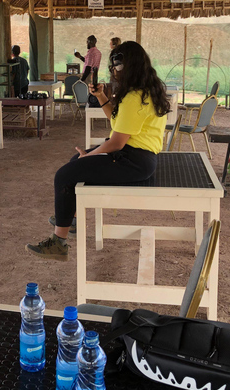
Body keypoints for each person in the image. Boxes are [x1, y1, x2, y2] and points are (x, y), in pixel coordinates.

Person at [26, 41, 171, 261]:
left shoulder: (134, 97)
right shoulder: (145, 91)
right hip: (139, 158)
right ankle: (70, 220)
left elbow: (116, 143)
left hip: (132, 160)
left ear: (128, 67)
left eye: (117, 67)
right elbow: (118, 122)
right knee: (75, 161)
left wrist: (90, 155)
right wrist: (102, 96)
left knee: (65, 174)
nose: (114, 72)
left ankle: (59, 243)